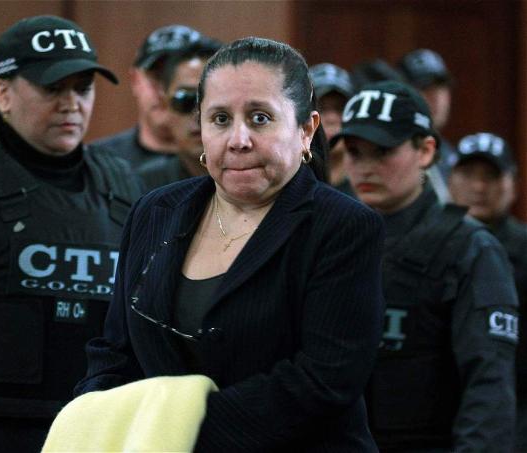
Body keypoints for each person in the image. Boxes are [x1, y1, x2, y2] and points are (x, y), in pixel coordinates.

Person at [75, 37, 386, 451]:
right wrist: (92, 418)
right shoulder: (154, 211)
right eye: (220, 119)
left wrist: (176, 434)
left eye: (260, 118)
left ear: (306, 130)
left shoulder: (344, 227)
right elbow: (115, 350)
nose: (238, 139)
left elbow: (323, 381)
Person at [0, 15, 143, 452]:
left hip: (92, 433)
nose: (71, 104)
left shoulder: (126, 186)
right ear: (3, 94)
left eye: (83, 88)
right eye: (53, 88)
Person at [333, 80, 519, 452]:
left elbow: (488, 387)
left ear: (426, 150)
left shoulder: (470, 247)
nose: (365, 167)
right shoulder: (329, 239)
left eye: (382, 151)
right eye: (354, 152)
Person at [447, 132, 527, 451]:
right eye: (468, 174)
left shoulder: (524, 248)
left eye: (491, 177)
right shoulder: (432, 243)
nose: (479, 187)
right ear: (450, 179)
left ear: (513, 185)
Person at [93, 24, 204, 169]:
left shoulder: (224, 159)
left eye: (183, 85)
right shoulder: (99, 162)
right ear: (135, 80)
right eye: (158, 77)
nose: (164, 93)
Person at [136, 37, 222, 192]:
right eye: (185, 99)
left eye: (211, 99)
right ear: (165, 105)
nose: (198, 115)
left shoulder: (262, 180)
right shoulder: (140, 187)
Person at [398, 48, 455, 201]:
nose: (436, 97)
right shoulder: (394, 154)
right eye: (424, 88)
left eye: (441, 87)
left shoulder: (452, 157)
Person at [309, 62, 355, 195]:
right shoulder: (289, 180)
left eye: (341, 108)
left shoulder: (367, 182)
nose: (332, 118)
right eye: (320, 108)